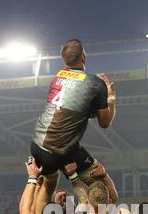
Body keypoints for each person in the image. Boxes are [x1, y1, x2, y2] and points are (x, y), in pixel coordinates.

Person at [31, 38, 116, 203]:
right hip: (64, 150)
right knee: (103, 190)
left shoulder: (57, 78)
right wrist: (110, 97)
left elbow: (74, 109)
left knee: (48, 185)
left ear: (64, 59)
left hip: (37, 145)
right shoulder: (95, 84)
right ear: (84, 56)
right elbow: (105, 123)